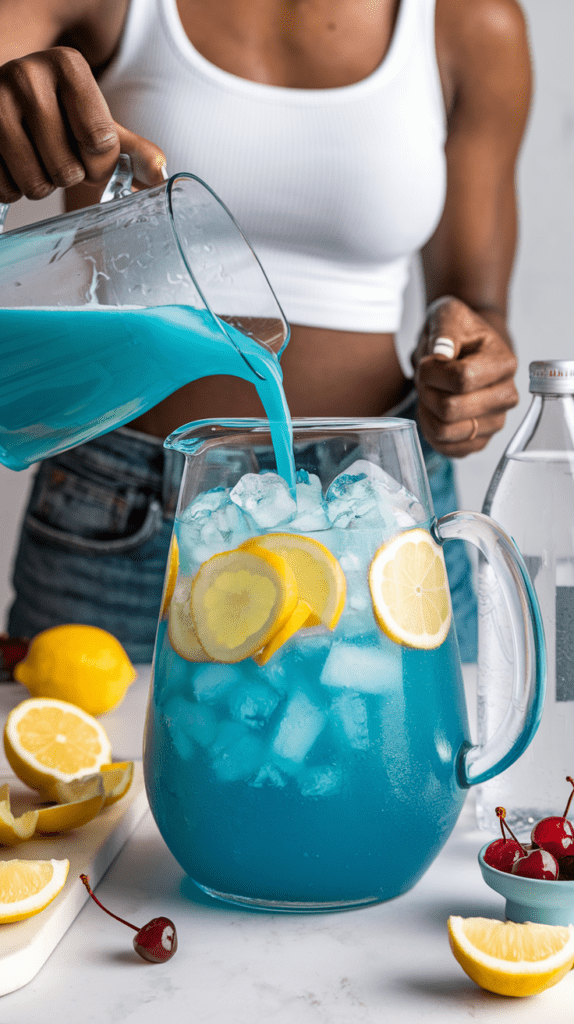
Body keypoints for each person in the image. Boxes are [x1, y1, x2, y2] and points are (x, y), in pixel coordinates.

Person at [0, 0, 531, 663]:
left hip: (378, 517)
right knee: (82, 755)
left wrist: (467, 367)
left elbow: (477, 303)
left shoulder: (473, 22)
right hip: (125, 512)